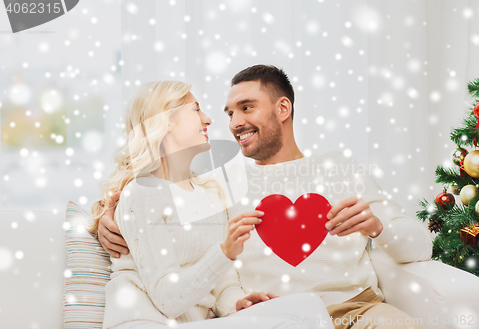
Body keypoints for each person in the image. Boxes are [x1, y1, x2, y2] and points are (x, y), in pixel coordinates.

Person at [98, 66, 432, 329]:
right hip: (273, 318)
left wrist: (377, 227)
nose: (234, 123)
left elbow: (420, 245)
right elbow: (154, 207)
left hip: (358, 311)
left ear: (282, 108)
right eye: (229, 113)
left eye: (246, 108)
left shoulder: (339, 168)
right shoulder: (220, 183)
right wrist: (104, 221)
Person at [90, 80, 334, 329]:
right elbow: (168, 300)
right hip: (145, 322)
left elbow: (222, 284)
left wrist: (237, 303)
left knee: (309, 306)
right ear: (165, 122)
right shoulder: (142, 194)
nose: (207, 119)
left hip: (191, 324)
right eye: (196, 110)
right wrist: (224, 252)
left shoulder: (208, 193)